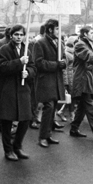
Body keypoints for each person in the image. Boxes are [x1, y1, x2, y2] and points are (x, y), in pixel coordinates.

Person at [0, 24, 36, 161]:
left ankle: (17, 146)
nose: (19, 37)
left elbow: (33, 67)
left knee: (25, 118)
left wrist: (28, 73)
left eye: (21, 35)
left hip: (23, 89)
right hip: (9, 89)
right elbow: (1, 68)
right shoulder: (4, 49)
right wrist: (19, 62)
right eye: (16, 35)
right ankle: (8, 150)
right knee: (7, 121)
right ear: (11, 35)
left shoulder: (27, 50)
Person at [69, 26, 93, 142]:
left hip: (87, 79)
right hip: (82, 80)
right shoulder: (80, 44)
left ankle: (74, 129)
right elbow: (87, 55)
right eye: (91, 32)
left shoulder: (87, 44)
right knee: (89, 106)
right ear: (85, 34)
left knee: (82, 107)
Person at [33, 19, 66, 148]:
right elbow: (39, 63)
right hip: (46, 81)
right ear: (50, 29)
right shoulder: (40, 43)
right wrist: (56, 65)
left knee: (53, 108)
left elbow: (63, 59)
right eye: (57, 29)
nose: (59, 31)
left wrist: (63, 63)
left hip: (56, 80)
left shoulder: (59, 42)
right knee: (49, 107)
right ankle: (42, 137)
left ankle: (48, 134)